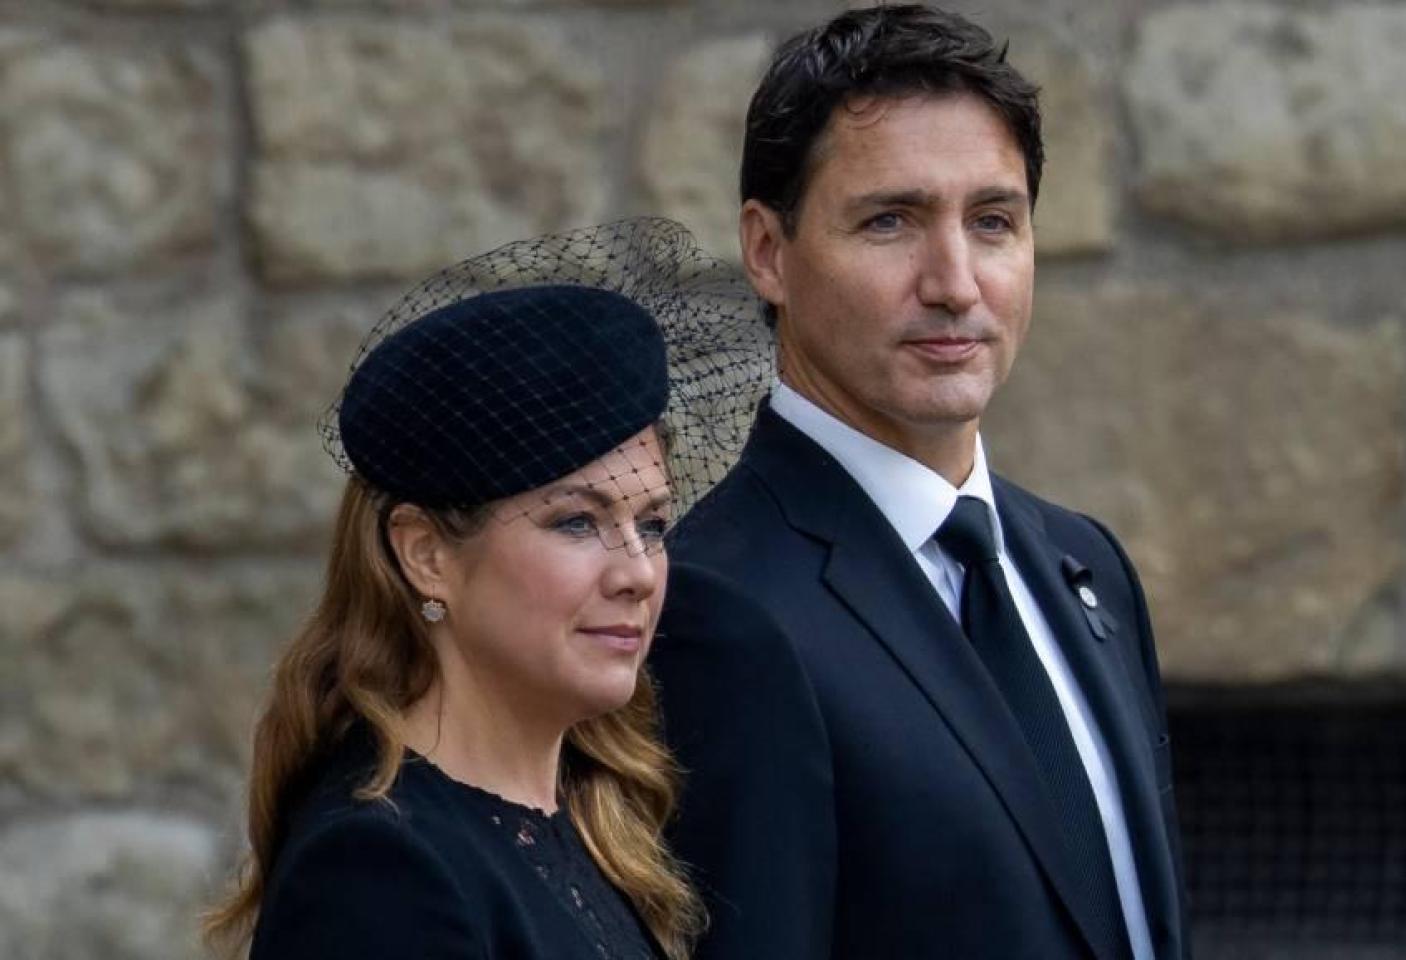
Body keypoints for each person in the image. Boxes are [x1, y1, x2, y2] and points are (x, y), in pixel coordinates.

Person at [650, 6, 1191, 960]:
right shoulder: (714, 607)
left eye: (992, 222)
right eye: (890, 221)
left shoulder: (1087, 564)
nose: (954, 281)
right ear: (768, 252)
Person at [202, 222, 773, 960]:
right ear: (425, 554)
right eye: (576, 522)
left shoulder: (587, 826)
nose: (636, 571)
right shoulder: (380, 872)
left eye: (653, 524)